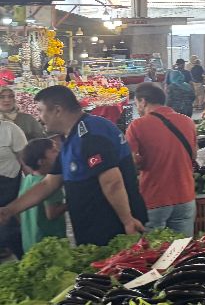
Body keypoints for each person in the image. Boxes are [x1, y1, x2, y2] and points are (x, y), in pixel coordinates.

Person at [0, 86, 146, 246]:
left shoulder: (91, 133)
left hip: (112, 229)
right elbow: (48, 183)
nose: (39, 118)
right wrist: (9, 211)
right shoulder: (71, 137)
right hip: (91, 229)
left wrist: (127, 221)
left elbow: (112, 182)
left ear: (57, 110)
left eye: (41, 111)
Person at [126, 83, 197, 236]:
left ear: (143, 101)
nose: (137, 108)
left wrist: (141, 162)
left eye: (137, 103)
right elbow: (194, 156)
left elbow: (129, 163)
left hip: (154, 198)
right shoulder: (188, 122)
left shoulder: (137, 125)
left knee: (153, 254)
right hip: (185, 196)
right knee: (182, 251)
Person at [17, 137, 66, 253]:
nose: (59, 153)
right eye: (54, 151)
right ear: (41, 161)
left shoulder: (28, 179)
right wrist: (72, 202)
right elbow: (52, 214)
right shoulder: (49, 184)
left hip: (30, 240)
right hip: (49, 244)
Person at [0, 118, 25, 257]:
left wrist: (32, 183)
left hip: (9, 187)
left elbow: (25, 160)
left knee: (11, 231)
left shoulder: (10, 129)